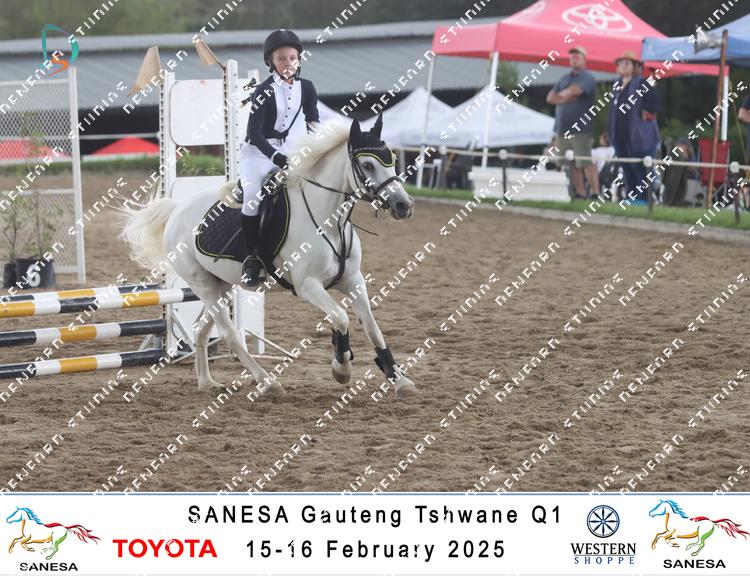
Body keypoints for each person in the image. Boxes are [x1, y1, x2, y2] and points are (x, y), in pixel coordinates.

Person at [239, 29, 319, 286]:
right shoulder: (263, 90)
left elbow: (313, 121)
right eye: (282, 58)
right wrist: (274, 156)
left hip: (287, 148)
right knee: (253, 196)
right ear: (271, 62)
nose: (288, 63)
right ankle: (252, 258)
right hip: (257, 153)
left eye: (292, 58)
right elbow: (254, 132)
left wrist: (317, 148)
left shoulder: (307, 88)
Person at [607, 50, 661, 206]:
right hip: (620, 136)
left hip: (640, 137)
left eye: (627, 63)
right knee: (627, 168)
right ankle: (632, 198)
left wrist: (646, 113)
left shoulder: (642, 83)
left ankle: (644, 200)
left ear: (635, 66)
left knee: (640, 168)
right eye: (620, 63)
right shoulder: (617, 85)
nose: (622, 66)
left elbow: (655, 103)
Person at [546, 46, 599, 198]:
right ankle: (580, 193)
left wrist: (563, 95)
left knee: (585, 161)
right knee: (570, 163)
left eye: (577, 56)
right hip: (562, 128)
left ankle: (596, 193)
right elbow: (550, 98)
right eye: (572, 57)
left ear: (584, 59)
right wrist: (567, 97)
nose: (574, 59)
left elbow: (576, 91)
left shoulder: (588, 78)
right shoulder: (564, 78)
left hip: (581, 128)